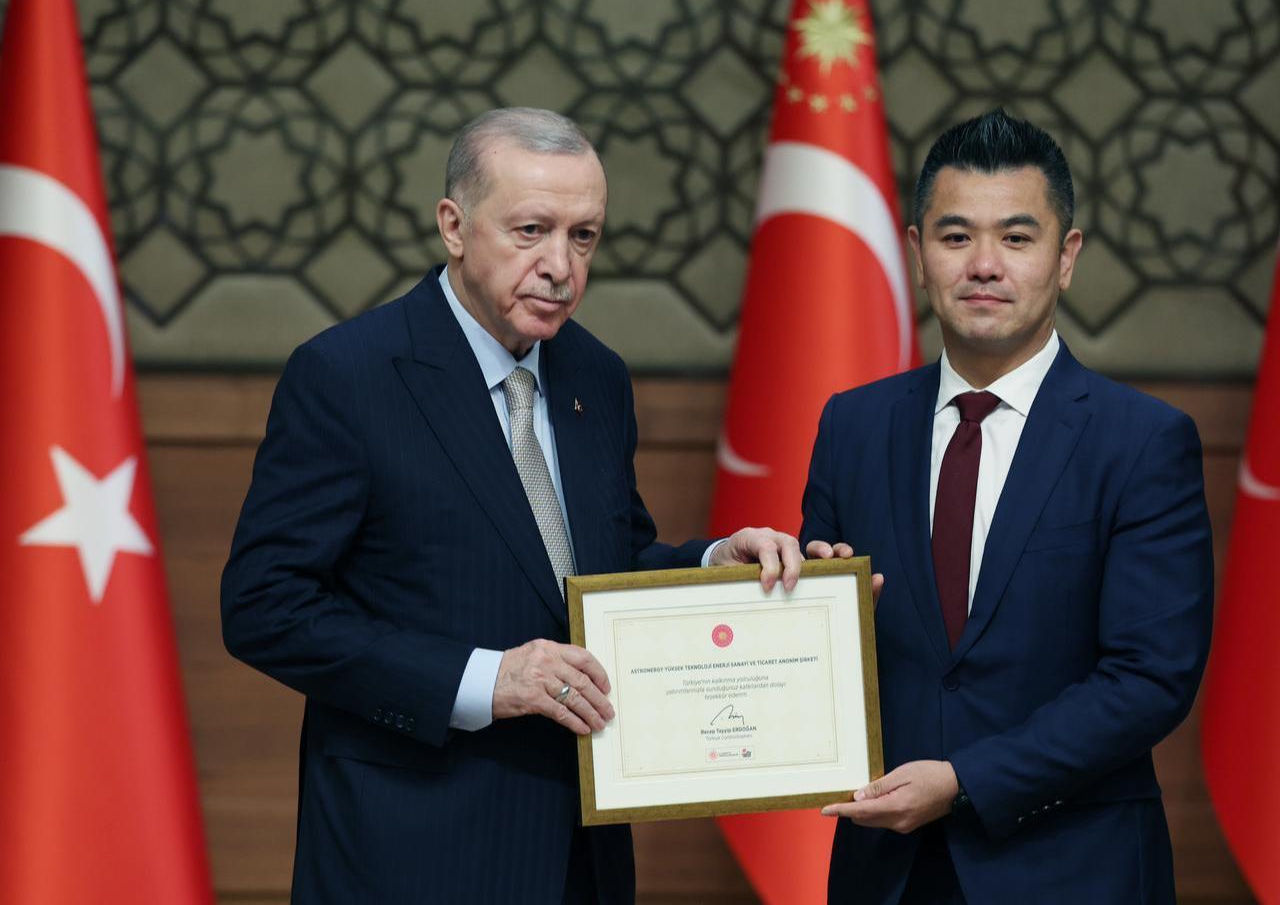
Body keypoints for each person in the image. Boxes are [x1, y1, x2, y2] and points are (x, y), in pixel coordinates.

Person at [220, 107, 805, 904]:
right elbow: (264, 606)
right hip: (411, 853)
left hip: (580, 857)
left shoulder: (597, 376)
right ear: (454, 227)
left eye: (583, 236)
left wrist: (710, 564)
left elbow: (599, 568)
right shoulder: (348, 376)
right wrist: (484, 679)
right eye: (531, 230)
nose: (560, 266)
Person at [803, 109, 1213, 904]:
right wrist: (813, 607)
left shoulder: (1142, 441)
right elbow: (818, 655)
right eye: (956, 237)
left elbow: (1149, 678)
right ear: (917, 253)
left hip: (1074, 869)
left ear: (1066, 257)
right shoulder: (852, 425)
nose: (984, 265)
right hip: (888, 874)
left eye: (1017, 238)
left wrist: (964, 780)